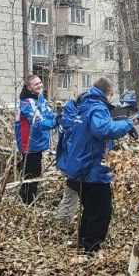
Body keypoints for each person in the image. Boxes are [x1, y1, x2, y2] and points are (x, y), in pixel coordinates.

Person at [61, 77, 137, 253]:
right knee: (101, 212)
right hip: (92, 170)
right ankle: (91, 249)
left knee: (90, 209)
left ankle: (83, 242)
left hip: (79, 166)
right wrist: (127, 123)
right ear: (109, 93)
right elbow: (102, 129)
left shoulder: (84, 105)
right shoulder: (97, 108)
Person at [14, 75, 57, 204]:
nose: (39, 85)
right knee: (31, 175)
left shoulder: (40, 98)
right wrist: (57, 122)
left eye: (40, 83)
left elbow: (47, 113)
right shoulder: (27, 103)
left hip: (36, 143)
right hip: (29, 144)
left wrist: (57, 116)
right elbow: (39, 124)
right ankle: (27, 202)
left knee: (35, 172)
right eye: (35, 84)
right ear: (29, 87)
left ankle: (28, 200)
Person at [54, 94, 82, 222]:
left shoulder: (69, 116)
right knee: (71, 195)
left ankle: (63, 222)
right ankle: (62, 224)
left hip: (69, 162)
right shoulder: (72, 122)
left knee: (71, 195)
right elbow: (74, 146)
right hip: (73, 164)